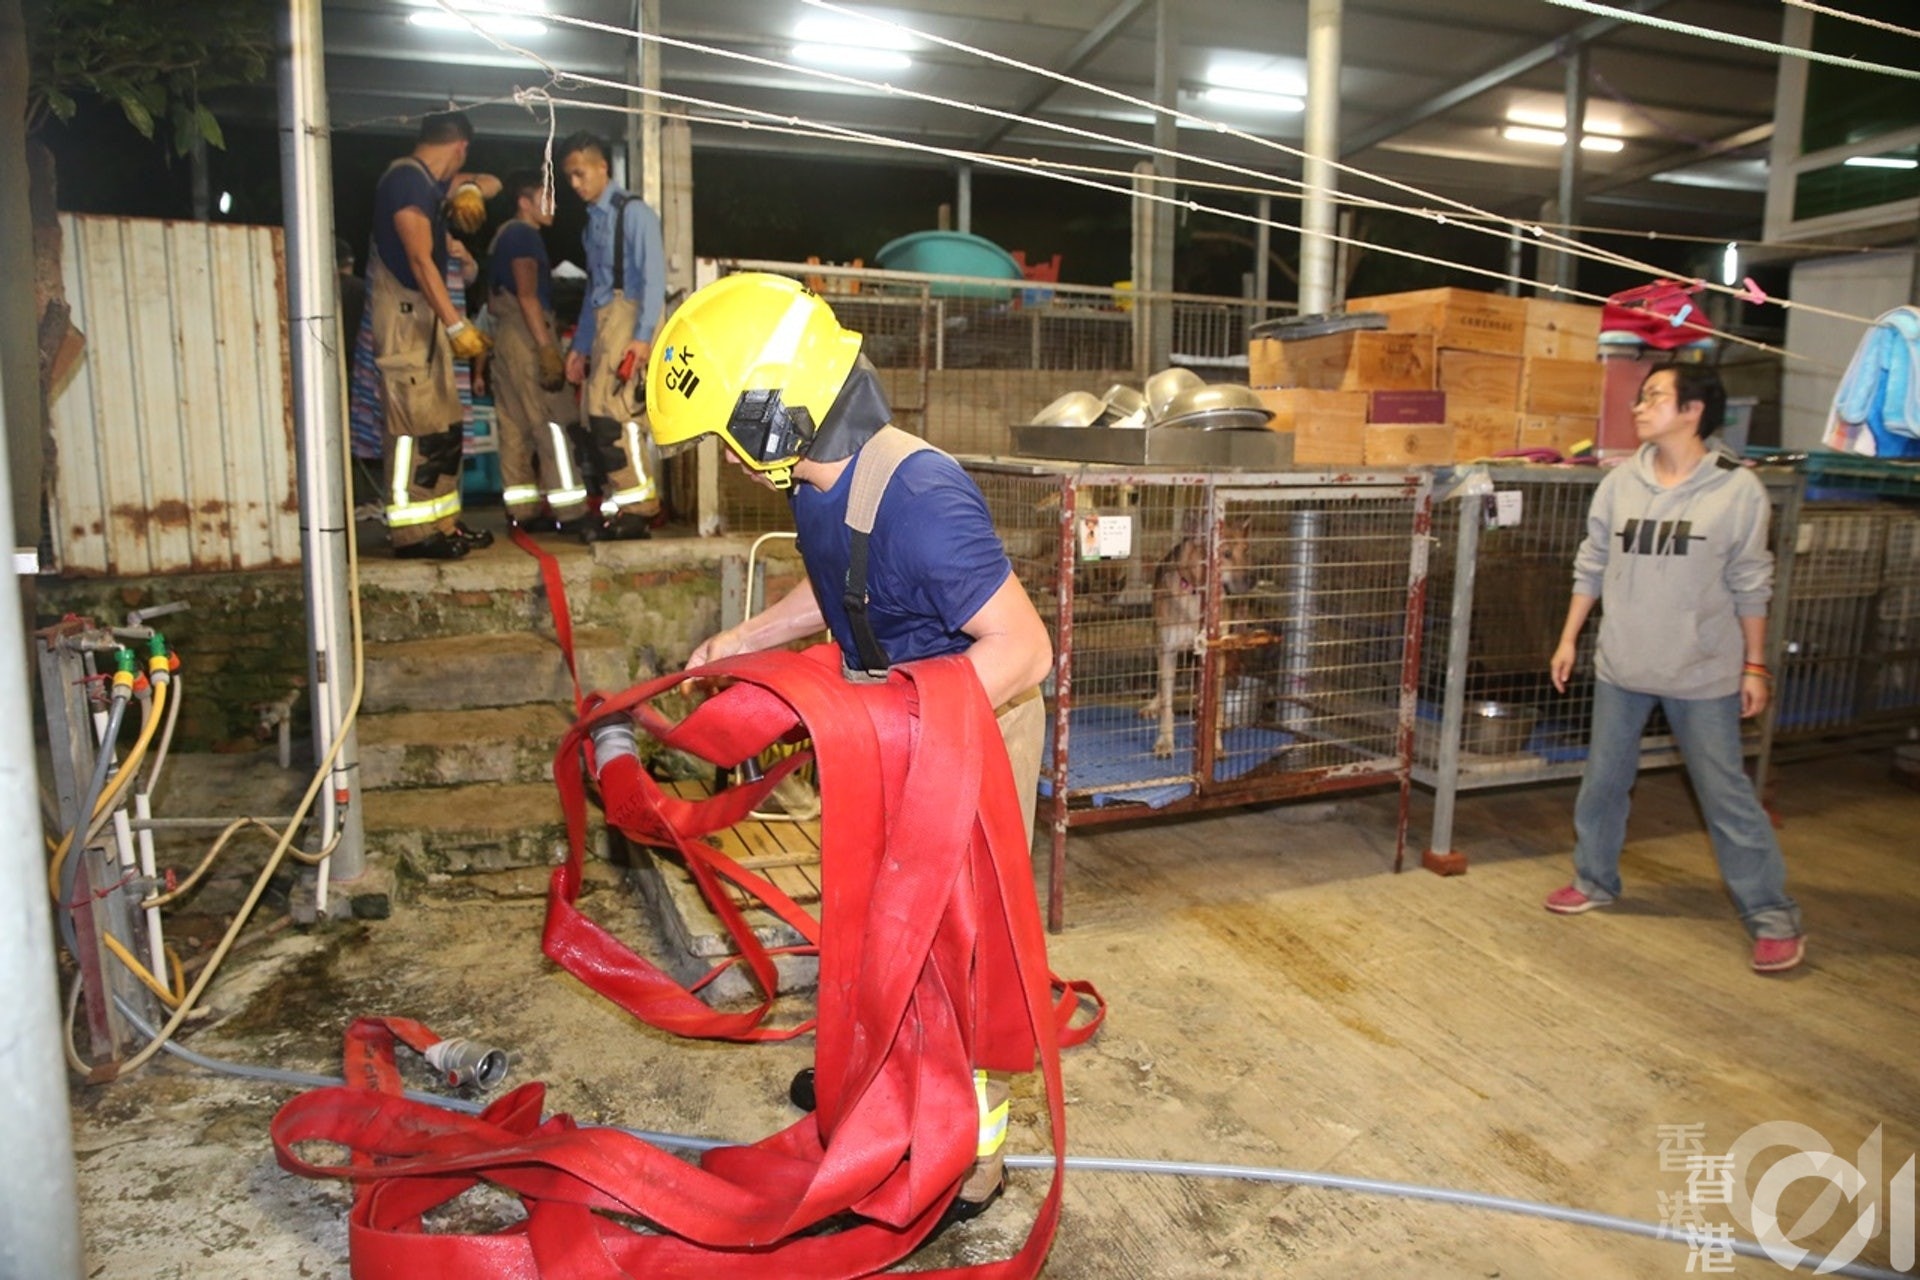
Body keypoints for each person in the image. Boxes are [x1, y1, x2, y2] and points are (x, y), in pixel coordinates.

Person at [645, 271, 1053, 1218]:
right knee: (873, 920)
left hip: (972, 732)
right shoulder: (819, 482)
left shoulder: (923, 494)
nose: (733, 458)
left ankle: (974, 1151)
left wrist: (908, 719)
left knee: (960, 947)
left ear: (776, 413)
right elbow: (843, 579)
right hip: (893, 722)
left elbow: (1025, 649)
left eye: (727, 434)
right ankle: (875, 1081)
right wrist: (748, 638)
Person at [1544, 363, 1805, 974]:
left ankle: (1772, 917)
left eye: (1654, 396)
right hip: (1622, 664)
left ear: (1693, 411)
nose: (1640, 406)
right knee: (1603, 781)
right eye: (1641, 397)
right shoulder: (1619, 484)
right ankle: (1594, 879)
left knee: (1725, 795)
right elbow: (1593, 565)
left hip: (1703, 672)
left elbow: (1751, 584)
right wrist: (1568, 639)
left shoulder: (1737, 491)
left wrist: (1756, 666)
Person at [366, 110, 500, 558]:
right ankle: (410, 532)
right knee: (414, 430)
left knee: (444, 427)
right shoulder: (406, 182)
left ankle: (443, 524)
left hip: (425, 322)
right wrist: (457, 325)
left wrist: (467, 189)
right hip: (406, 320)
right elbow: (421, 260)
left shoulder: (429, 182)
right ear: (461, 145)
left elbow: (491, 181)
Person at [558, 130, 665, 541]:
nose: (575, 184)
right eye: (569, 176)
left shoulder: (634, 214)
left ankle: (640, 509)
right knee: (596, 419)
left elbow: (654, 279)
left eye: (580, 173)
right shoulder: (594, 224)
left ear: (603, 167)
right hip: (605, 321)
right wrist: (579, 347)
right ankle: (622, 507)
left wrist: (642, 339)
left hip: (632, 316)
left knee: (616, 416)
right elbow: (592, 291)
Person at [484, 170, 592, 534]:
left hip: (505, 339)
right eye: (546, 198)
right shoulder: (523, 235)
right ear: (524, 202)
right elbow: (527, 294)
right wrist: (547, 348)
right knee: (553, 423)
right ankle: (572, 511)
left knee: (514, 425)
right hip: (528, 333)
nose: (553, 206)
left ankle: (523, 512)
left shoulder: (500, 236)